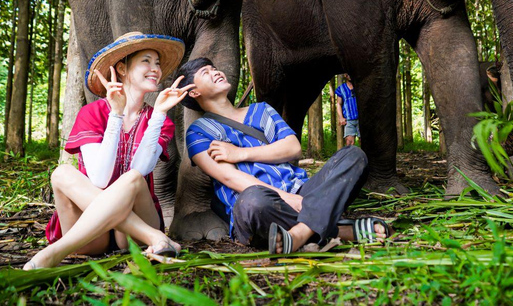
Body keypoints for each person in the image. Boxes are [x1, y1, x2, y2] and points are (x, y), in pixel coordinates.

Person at [177, 57, 391, 254]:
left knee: (353, 155)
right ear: (194, 92)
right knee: (253, 200)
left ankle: (300, 234)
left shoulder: (261, 110)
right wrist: (289, 200)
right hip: (260, 205)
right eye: (205, 72)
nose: (216, 72)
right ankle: (338, 230)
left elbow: (292, 148)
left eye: (214, 68)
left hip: (301, 191)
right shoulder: (199, 132)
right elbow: (230, 178)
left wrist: (240, 153)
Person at [24, 32, 194, 270]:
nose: (155, 68)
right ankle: (155, 237)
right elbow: (100, 178)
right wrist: (116, 114)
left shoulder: (159, 120)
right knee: (61, 173)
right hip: (92, 235)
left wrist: (159, 114)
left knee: (133, 177)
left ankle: (54, 252)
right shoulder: (92, 112)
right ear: (122, 69)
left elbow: (140, 170)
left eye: (157, 63)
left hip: (131, 240)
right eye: (146, 60)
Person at [335, 74, 359, 146]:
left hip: (361, 119)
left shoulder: (360, 86)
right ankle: (351, 157)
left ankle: (363, 157)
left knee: (364, 141)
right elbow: (338, 104)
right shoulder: (341, 88)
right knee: (349, 142)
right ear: (345, 75)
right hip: (349, 120)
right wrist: (341, 117)